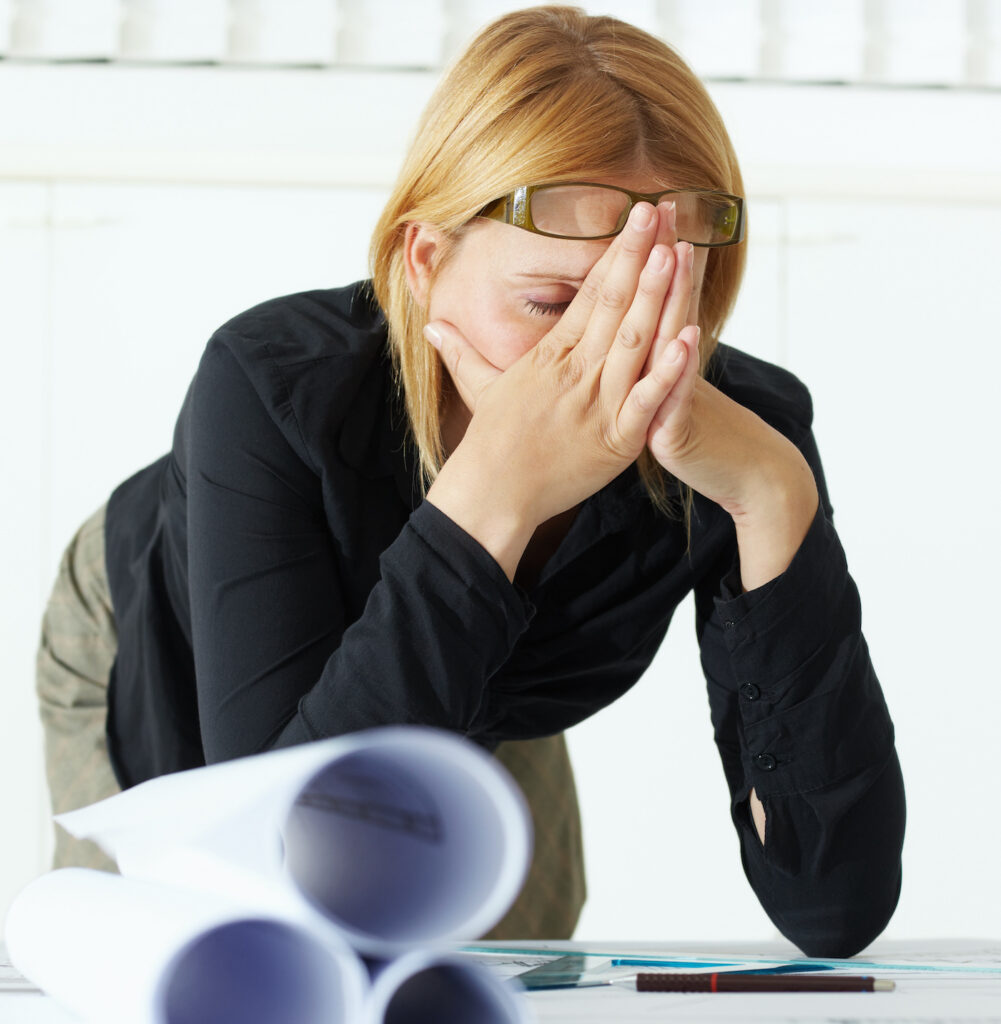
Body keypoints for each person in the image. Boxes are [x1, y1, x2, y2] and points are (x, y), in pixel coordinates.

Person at [36, 5, 905, 956]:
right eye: (551, 302)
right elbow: (276, 856)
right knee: (222, 958)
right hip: (167, 630)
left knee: (507, 962)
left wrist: (775, 498)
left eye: (655, 300)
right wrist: (499, 490)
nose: (603, 353)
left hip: (490, 679)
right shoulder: (269, 385)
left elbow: (832, 909)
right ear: (425, 260)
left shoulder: (740, 441)